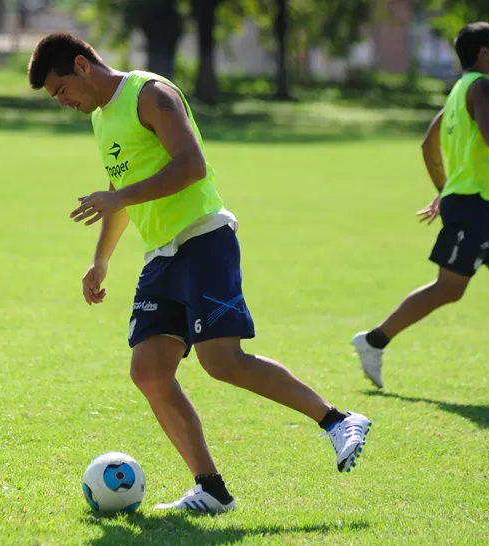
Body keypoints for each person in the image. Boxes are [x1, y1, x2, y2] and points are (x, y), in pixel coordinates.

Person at [27, 33, 371, 514]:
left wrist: (119, 198)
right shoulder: (103, 118)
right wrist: (101, 258)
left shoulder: (151, 94)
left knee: (221, 360)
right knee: (148, 371)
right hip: (162, 255)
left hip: (204, 239)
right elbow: (120, 186)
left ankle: (337, 420)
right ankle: (211, 489)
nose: (63, 102)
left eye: (61, 89)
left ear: (81, 65)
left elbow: (192, 166)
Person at [351, 23, 489, 394]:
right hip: (472, 206)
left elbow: (428, 146)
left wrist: (444, 189)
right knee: (449, 289)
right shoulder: (484, 86)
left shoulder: (458, 91)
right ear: (484, 51)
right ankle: (373, 341)